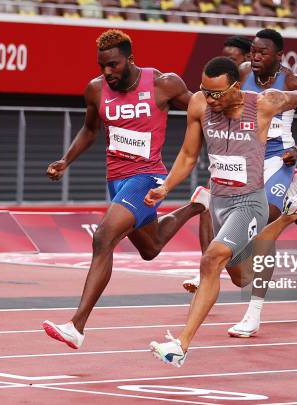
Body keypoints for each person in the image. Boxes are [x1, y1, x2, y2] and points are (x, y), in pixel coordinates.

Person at [145, 56, 297, 367]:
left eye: (217, 93)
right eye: (205, 90)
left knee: (211, 259)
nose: (210, 99)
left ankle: (180, 346)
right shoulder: (199, 104)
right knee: (240, 277)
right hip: (221, 202)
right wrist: (166, 187)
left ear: (235, 87)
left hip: (248, 201)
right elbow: (187, 155)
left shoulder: (264, 103)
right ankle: (292, 214)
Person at [41, 29, 209, 350]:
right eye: (103, 66)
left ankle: (76, 326)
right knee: (151, 248)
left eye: (114, 65)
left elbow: (201, 112)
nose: (108, 72)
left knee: (103, 238)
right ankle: (197, 205)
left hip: (148, 176)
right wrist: (65, 160)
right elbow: (90, 130)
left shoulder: (163, 84)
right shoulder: (95, 90)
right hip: (116, 179)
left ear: (130, 59)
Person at [183, 29, 297, 339]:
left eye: (262, 52)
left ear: (278, 56)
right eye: (253, 51)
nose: (255, 57)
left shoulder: (293, 81)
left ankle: (253, 311)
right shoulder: (241, 74)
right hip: (242, 156)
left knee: (265, 216)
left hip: (275, 158)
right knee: (220, 211)